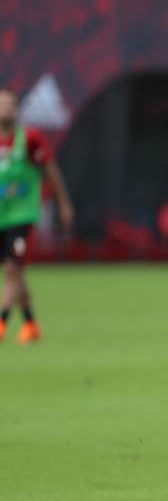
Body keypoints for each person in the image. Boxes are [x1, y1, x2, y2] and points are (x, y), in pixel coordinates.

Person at [0, 88, 74, 343]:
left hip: (21, 217)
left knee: (11, 270)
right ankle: (31, 324)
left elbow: (51, 172)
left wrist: (63, 203)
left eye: (8, 104)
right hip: (0, 217)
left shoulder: (29, 139)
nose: (4, 109)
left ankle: (2, 321)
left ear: (16, 109)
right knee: (16, 274)